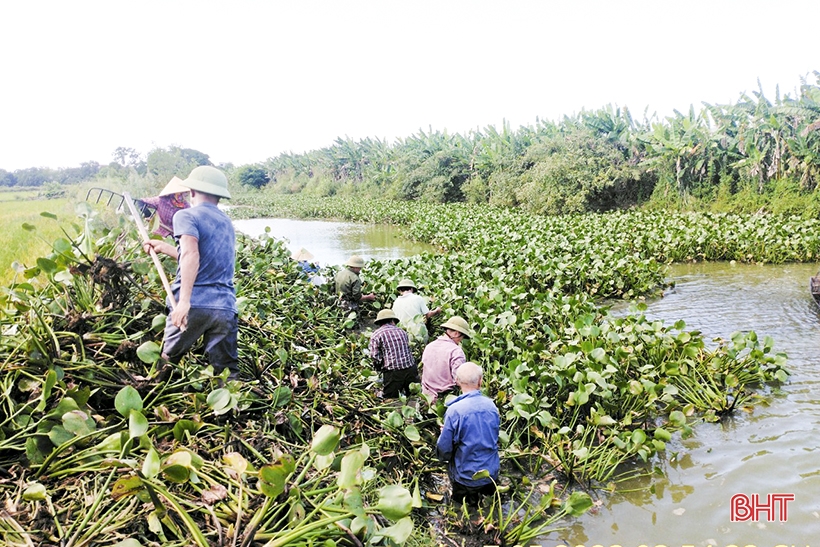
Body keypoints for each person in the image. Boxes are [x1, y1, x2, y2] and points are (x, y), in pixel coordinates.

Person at [142, 166, 239, 381]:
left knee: (166, 365)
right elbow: (201, 259)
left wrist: (184, 301)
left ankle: (154, 390)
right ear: (219, 197)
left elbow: (190, 254)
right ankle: (232, 410)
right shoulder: (227, 222)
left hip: (195, 304)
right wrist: (166, 248)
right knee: (227, 374)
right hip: (225, 308)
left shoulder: (185, 215)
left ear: (192, 192)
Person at [436, 362, 500, 506]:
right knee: (490, 508)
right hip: (491, 474)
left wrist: (446, 435)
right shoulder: (492, 406)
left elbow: (444, 449)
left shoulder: (454, 411)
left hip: (466, 477)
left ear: (457, 381)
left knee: (463, 512)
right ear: (480, 381)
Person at [420, 316, 473, 402]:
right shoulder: (456, 351)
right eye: (461, 337)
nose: (460, 340)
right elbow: (459, 379)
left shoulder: (429, 346)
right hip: (445, 400)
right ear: (456, 333)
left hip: (426, 398)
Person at [368, 308, 418, 398]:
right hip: (411, 368)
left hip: (394, 372)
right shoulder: (402, 331)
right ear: (392, 321)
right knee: (413, 395)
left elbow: (375, 356)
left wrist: (379, 368)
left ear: (379, 323)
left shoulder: (377, 334)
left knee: (391, 399)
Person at [390, 278, 442, 344]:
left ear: (400, 290)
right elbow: (428, 315)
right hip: (418, 332)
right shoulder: (418, 298)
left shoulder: (396, 302)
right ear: (412, 289)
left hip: (402, 333)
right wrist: (437, 311)